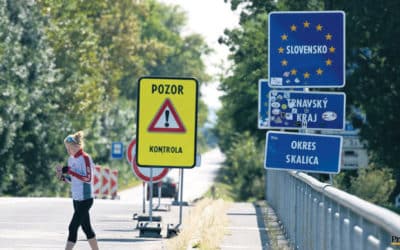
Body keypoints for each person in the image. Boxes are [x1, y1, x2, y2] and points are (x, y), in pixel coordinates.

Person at [57, 131, 99, 250]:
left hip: (85, 198)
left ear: (76, 146)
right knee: (87, 228)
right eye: (66, 148)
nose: (68, 151)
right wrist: (62, 177)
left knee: (72, 227)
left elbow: (88, 178)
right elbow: (73, 179)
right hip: (76, 198)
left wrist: (70, 171)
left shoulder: (85, 158)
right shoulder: (71, 159)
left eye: (69, 148)